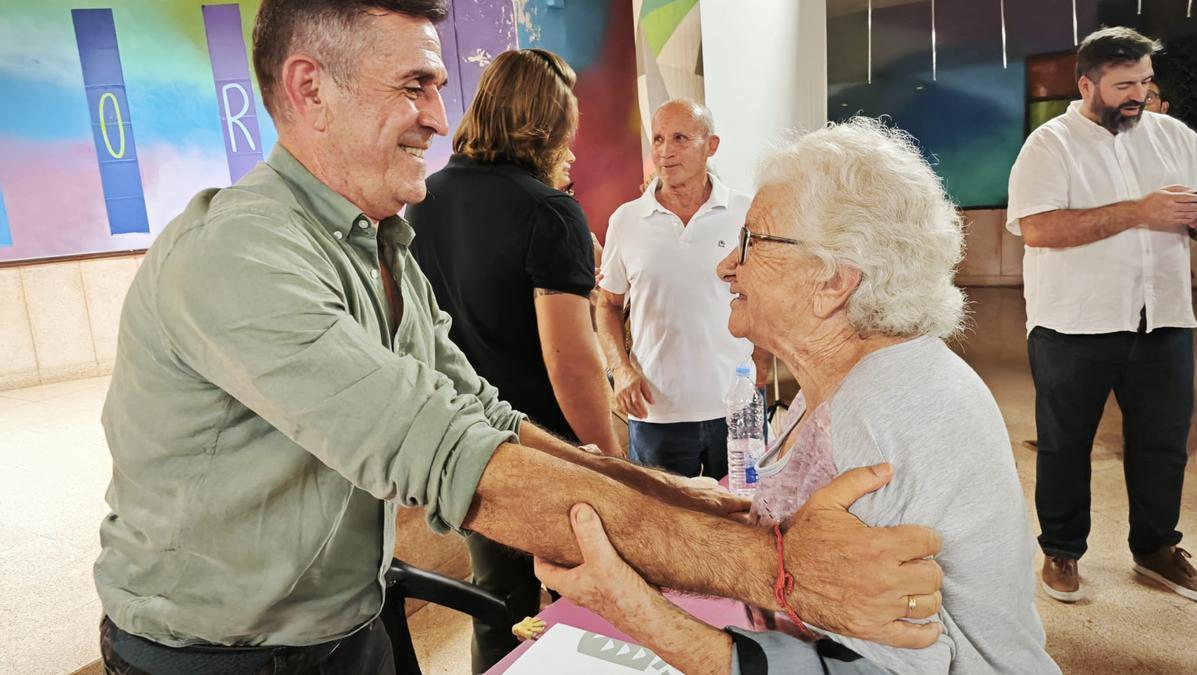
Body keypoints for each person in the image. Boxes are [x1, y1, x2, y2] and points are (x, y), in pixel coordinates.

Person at [93, 2, 946, 672]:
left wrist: (690, 500)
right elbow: (449, 456)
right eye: (414, 86)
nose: (438, 114)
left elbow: (483, 417)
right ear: (311, 88)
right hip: (215, 658)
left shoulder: (380, 240)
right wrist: (782, 568)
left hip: (347, 624)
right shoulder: (241, 252)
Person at [539, 117, 1059, 674]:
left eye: (752, 241)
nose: (725, 266)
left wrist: (636, 610)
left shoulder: (875, 412)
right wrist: (665, 498)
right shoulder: (852, 380)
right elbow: (795, 530)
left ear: (834, 279)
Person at [407, 48, 619, 671]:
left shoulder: (424, 199)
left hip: (467, 446)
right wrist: (608, 456)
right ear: (550, 124)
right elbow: (571, 362)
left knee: (500, 611)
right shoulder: (547, 210)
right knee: (587, 608)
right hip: (546, 451)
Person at [1007, 26, 1197, 604]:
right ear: (1087, 84)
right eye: (1123, 84)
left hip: (1163, 316)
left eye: (1144, 80)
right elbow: (1039, 228)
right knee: (1066, 444)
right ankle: (1062, 551)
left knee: (1164, 442)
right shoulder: (1050, 145)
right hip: (1073, 324)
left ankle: (1157, 549)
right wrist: (1140, 211)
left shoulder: (1177, 137)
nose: (1138, 93)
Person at [597, 99, 760, 478]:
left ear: (711, 145)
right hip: (658, 412)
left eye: (680, 138)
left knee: (745, 522)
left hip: (736, 406)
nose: (665, 152)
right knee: (663, 526)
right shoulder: (626, 220)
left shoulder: (746, 213)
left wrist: (764, 360)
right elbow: (606, 307)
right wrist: (619, 370)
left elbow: (763, 295)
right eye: (657, 139)